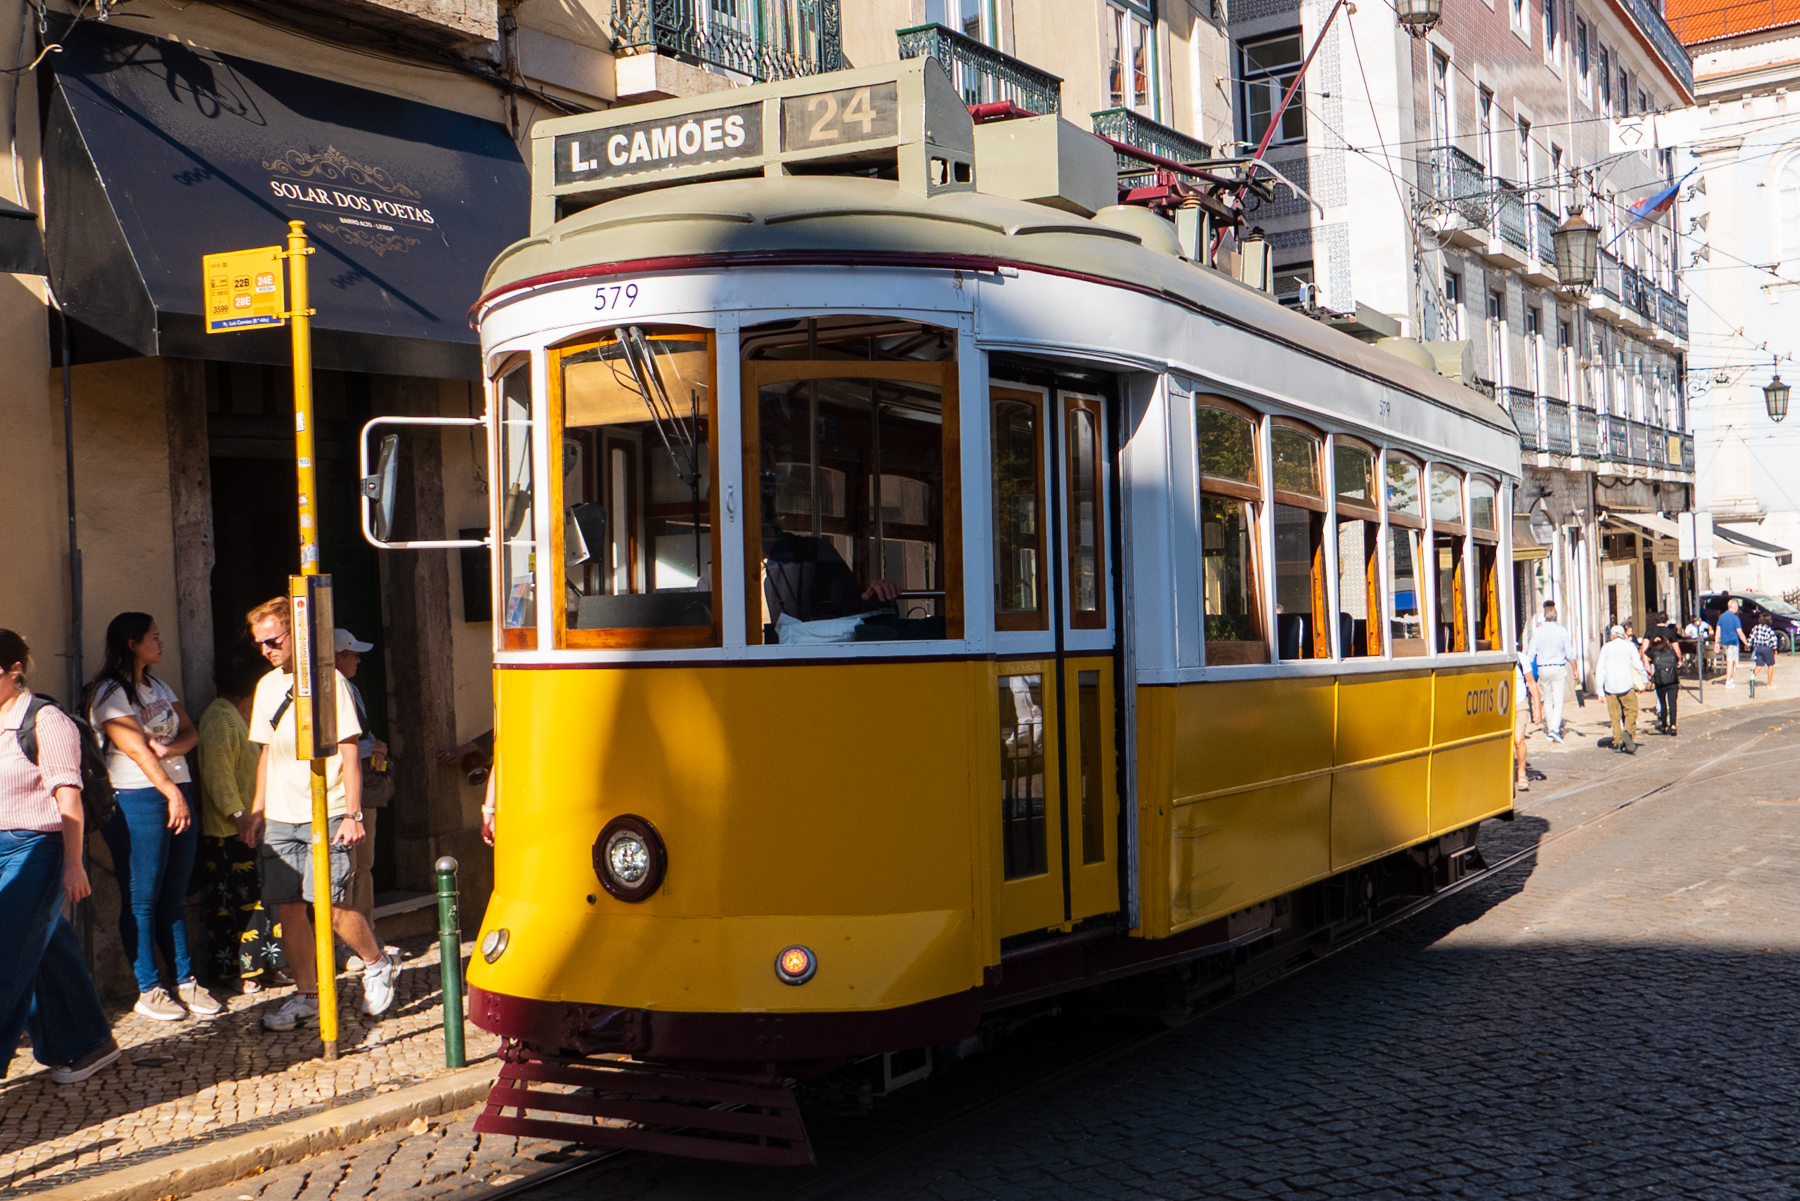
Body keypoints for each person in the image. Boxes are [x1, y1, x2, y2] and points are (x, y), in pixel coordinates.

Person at [240, 598, 398, 1031]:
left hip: (326, 809)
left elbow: (349, 753)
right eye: (260, 644)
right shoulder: (266, 686)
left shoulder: (332, 683)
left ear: (296, 634)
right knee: (288, 909)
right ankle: (307, 995)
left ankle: (377, 962)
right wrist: (258, 808)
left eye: (273, 641)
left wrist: (353, 815)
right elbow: (267, 752)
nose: (266, 650)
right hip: (280, 816)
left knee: (331, 905)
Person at [85, 613, 221, 1021]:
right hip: (136, 797)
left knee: (173, 894)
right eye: (153, 637)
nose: (160, 644)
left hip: (175, 790)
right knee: (142, 896)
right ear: (131, 643)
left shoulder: (158, 686)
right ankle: (148, 988)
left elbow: (190, 733)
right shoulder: (110, 692)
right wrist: (169, 790)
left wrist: (170, 752)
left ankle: (185, 979)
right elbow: (135, 749)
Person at [0, 630, 119, 1085]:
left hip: (37, 848)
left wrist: (73, 865)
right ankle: (88, 1042)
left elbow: (68, 798)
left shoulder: (45, 721)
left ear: (14, 671)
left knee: (6, 956)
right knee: (44, 948)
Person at [196, 646, 284, 993]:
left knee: (261, 902)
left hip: (252, 827)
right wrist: (240, 816)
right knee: (233, 906)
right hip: (229, 832)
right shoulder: (219, 718)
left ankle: (264, 966)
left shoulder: (245, 716)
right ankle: (237, 971)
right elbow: (218, 776)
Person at [334, 629, 393, 937]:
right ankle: (347, 938)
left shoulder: (351, 688)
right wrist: (373, 748)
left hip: (361, 788)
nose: (358, 660)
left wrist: (374, 745)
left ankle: (365, 931)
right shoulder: (331, 690)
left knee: (364, 866)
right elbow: (340, 744)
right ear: (336, 656)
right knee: (350, 869)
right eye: (353, 654)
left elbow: (361, 735)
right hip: (341, 793)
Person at [1596, 624, 1649, 754]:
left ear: (1611, 635)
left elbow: (1600, 669)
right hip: (1626, 685)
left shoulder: (1605, 647)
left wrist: (1600, 691)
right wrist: (1645, 678)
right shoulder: (1629, 646)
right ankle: (1627, 732)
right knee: (1631, 711)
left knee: (1615, 716)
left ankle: (1617, 741)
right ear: (1623, 634)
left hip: (1610, 687)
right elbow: (1638, 664)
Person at [1527, 601, 1575, 743]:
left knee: (1548, 700)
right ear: (1556, 616)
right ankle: (1554, 730)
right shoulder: (1562, 631)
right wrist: (1575, 668)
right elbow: (1569, 653)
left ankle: (1550, 729)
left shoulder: (1538, 632)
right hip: (1558, 667)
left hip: (1543, 668)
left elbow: (1530, 654)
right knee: (1558, 701)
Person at [1513, 640, 1543, 792]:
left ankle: (1521, 773)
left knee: (1518, 739)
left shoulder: (1521, 659)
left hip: (1519, 704)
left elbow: (1531, 683)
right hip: (1503, 707)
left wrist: (1537, 708)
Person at [1646, 620, 1684, 735]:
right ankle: (1673, 725)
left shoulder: (1654, 653)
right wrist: (1679, 661)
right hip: (1672, 680)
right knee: (1673, 703)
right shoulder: (1672, 652)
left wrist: (1654, 641)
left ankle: (1663, 725)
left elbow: (1646, 651)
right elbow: (1677, 658)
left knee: (1662, 703)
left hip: (1660, 681)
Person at [1716, 597, 1744, 687]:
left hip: (1724, 642)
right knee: (1731, 661)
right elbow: (1739, 632)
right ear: (1735, 607)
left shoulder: (1722, 616)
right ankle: (1728, 680)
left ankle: (1731, 678)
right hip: (1733, 642)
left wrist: (1717, 642)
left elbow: (1718, 630)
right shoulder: (1735, 618)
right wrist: (1746, 642)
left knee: (1730, 660)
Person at [1750, 613, 1779, 688]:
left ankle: (1752, 678)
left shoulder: (1756, 628)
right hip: (1767, 648)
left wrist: (1748, 645)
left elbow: (1751, 637)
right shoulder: (1769, 629)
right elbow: (1773, 640)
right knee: (1770, 665)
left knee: (1759, 665)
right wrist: (1775, 649)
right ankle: (1769, 684)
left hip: (1758, 648)